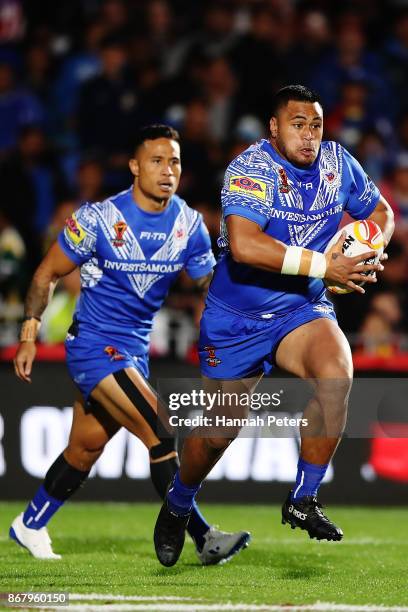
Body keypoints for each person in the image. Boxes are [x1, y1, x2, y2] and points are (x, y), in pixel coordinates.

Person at [154, 85, 395, 567]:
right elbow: (244, 246)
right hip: (235, 318)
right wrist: (325, 267)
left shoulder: (338, 164)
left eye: (315, 126)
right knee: (220, 432)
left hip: (300, 310)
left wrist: (371, 245)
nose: (308, 136)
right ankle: (178, 504)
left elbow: (382, 213)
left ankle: (303, 498)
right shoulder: (252, 169)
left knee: (337, 375)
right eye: (297, 125)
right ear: (274, 127)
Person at [11, 124, 250, 564]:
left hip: (133, 352)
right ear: (135, 166)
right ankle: (202, 537)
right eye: (156, 161)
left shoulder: (189, 225)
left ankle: (29, 524)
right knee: (160, 428)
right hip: (94, 346)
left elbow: (213, 288)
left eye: (174, 161)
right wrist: (29, 333)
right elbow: (45, 274)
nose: (167, 170)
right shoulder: (97, 219)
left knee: (84, 449)